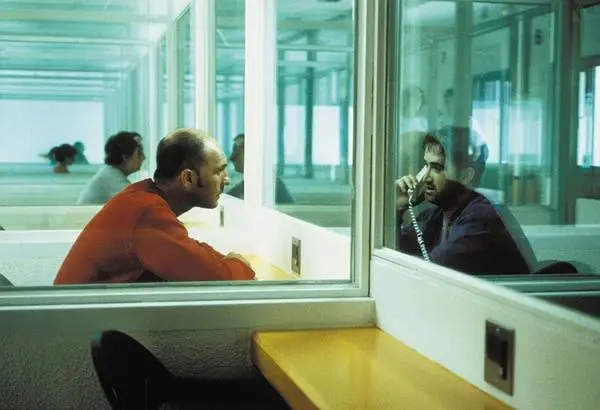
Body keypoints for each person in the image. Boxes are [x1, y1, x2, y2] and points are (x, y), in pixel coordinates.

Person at [54, 128, 256, 284]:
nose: (226, 179)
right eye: (218, 171)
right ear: (188, 178)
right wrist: (239, 266)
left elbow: (187, 249)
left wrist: (226, 260)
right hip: (77, 323)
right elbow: (214, 277)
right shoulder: (148, 212)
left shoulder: (143, 196)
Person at [395, 126, 534, 275]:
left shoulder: (481, 217)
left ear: (465, 176)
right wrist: (398, 209)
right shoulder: (435, 215)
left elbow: (433, 269)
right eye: (426, 166)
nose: (425, 178)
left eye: (437, 168)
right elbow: (398, 249)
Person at [77, 131, 145, 205]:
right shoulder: (112, 177)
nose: (144, 157)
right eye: (139, 153)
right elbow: (138, 203)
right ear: (125, 157)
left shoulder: (109, 172)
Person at [227, 133, 295, 204]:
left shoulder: (272, 185)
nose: (233, 159)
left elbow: (290, 208)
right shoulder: (251, 182)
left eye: (237, 154)